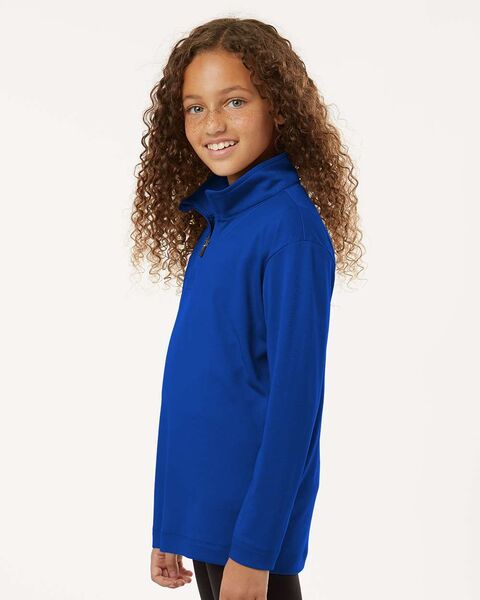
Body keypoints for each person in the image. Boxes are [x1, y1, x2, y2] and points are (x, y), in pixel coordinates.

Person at [131, 16, 364, 600]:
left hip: (249, 535)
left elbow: (295, 407)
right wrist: (172, 520)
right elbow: (195, 387)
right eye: (195, 107)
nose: (213, 124)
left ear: (278, 107)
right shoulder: (219, 222)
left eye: (234, 101)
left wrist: (255, 553)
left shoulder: (289, 232)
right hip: (207, 518)